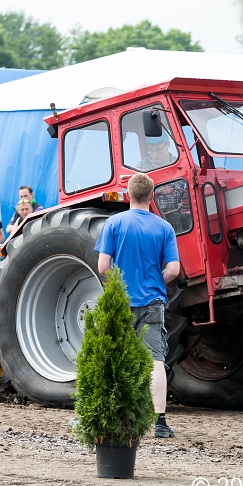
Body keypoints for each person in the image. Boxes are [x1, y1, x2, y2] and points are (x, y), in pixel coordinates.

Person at [95, 173, 180, 439]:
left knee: (115, 358)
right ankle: (160, 423)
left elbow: (103, 267)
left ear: (129, 195)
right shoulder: (164, 228)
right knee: (155, 361)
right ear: (151, 196)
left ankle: (110, 416)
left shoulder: (114, 223)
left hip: (122, 302)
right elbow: (174, 269)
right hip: (153, 303)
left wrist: (120, 286)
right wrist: (157, 280)